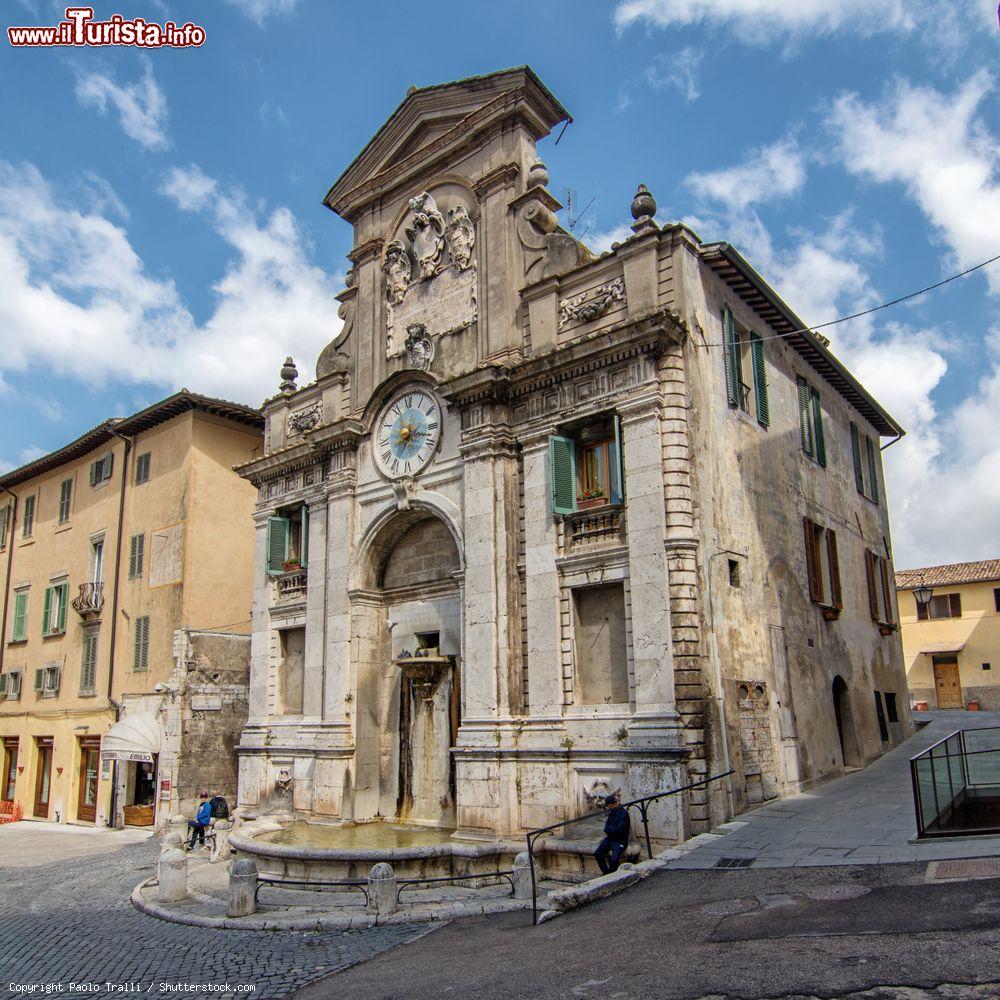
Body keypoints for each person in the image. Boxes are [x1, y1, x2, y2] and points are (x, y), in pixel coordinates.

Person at [594, 793, 630, 874]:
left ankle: (612, 876)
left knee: (614, 859)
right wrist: (612, 830)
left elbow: (620, 830)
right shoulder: (612, 813)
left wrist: (611, 830)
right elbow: (606, 829)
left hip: (620, 840)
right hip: (610, 838)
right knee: (597, 853)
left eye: (608, 806)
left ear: (611, 804)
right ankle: (606, 874)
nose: (607, 807)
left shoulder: (623, 813)